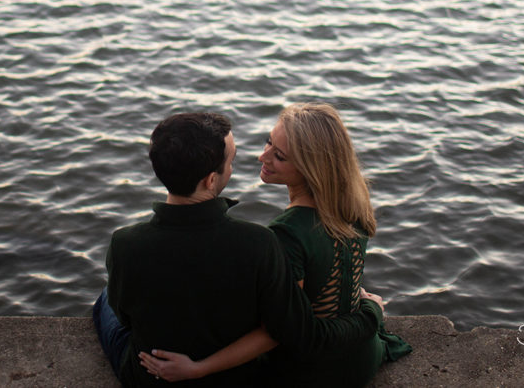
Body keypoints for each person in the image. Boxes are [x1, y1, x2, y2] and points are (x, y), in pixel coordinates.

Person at [92, 111, 384, 387]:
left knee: (106, 298)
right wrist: (370, 309)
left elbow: (125, 315)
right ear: (210, 180)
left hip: (153, 374)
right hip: (243, 375)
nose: (261, 156)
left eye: (277, 153)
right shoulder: (262, 242)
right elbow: (281, 325)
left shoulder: (123, 243)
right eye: (232, 161)